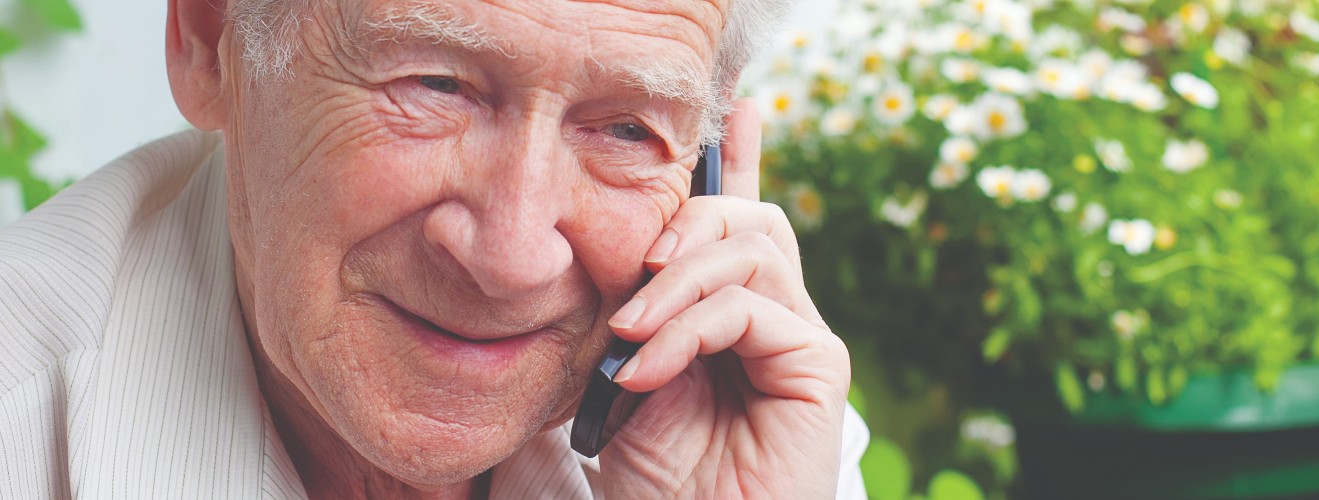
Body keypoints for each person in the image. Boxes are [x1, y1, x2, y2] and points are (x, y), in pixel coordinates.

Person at [0, 0, 868, 497]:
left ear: (709, 159)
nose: (514, 254)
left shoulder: (738, 434)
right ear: (211, 39)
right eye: (436, 85)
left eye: (627, 128)